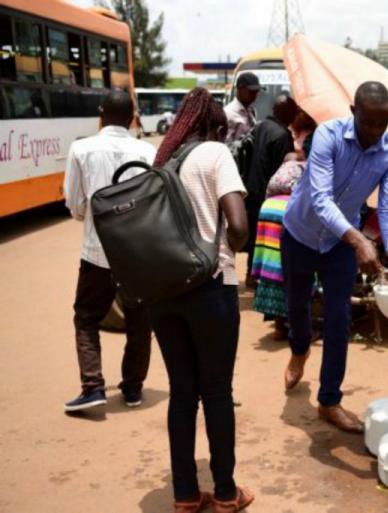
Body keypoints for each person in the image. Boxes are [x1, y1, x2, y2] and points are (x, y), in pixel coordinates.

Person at [281, 81, 388, 433]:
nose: (374, 132)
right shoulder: (328, 136)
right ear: (353, 112)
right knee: (297, 305)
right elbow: (321, 199)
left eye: (381, 124)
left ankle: (329, 401)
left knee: (340, 318)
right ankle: (299, 349)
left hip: (339, 246)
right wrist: (359, 240)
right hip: (301, 233)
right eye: (367, 122)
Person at [151, 88, 253, 513]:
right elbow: (239, 224)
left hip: (163, 291)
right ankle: (227, 493)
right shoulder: (216, 154)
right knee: (216, 391)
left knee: (181, 393)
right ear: (214, 127)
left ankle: (185, 494)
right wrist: (226, 246)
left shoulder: (163, 159)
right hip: (210, 287)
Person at [62, 89, 156, 412]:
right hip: (140, 255)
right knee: (139, 322)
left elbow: (74, 204)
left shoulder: (81, 149)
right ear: (132, 118)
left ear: (100, 116)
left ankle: (93, 387)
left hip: (96, 251)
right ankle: (132, 389)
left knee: (86, 316)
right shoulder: (148, 151)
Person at [250, 148, 309, 340]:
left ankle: (278, 328)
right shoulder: (304, 174)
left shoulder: (270, 196)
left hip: (269, 210)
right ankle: (296, 329)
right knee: (292, 275)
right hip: (288, 210)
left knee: (273, 268)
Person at [242, 94, 299, 283]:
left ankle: (252, 273)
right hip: (268, 194)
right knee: (270, 238)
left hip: (251, 188)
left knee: (254, 237)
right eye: (293, 111)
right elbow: (284, 171)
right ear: (287, 113)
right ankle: (266, 277)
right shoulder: (282, 136)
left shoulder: (261, 126)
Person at [224, 73, 262, 143]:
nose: (254, 95)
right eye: (251, 92)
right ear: (240, 89)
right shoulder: (228, 113)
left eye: (256, 92)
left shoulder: (251, 111)